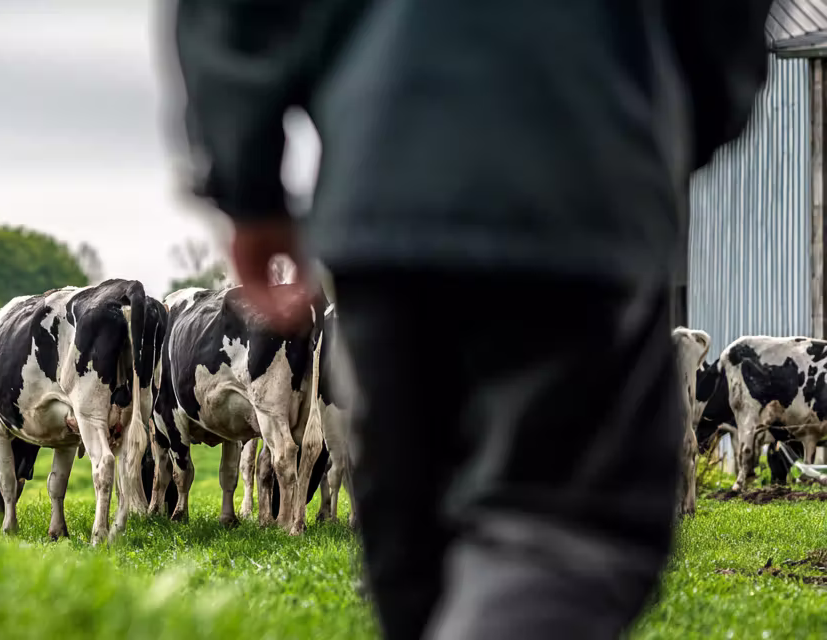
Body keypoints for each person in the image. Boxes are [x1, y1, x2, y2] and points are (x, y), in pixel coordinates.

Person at [166, 0, 774, 638]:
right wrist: (665, 119)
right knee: (563, 533)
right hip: (582, 181)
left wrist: (248, 182)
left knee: (415, 545)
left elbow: (233, 16)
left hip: (387, 196)